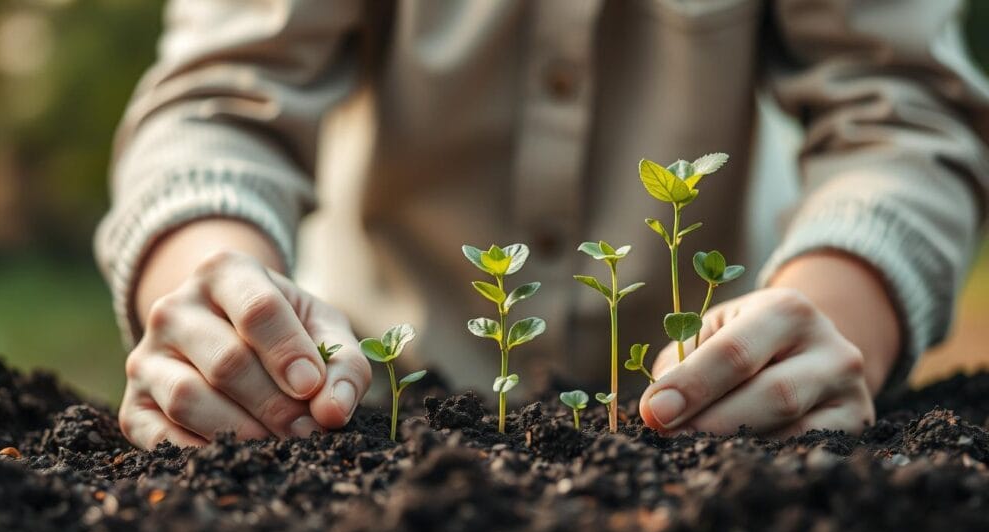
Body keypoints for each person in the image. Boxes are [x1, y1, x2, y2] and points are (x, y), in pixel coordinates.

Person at [96, 0, 989, 449]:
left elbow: (904, 113)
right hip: (353, 399)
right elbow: (219, 102)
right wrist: (214, 290)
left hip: (719, 415)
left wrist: (836, 315)